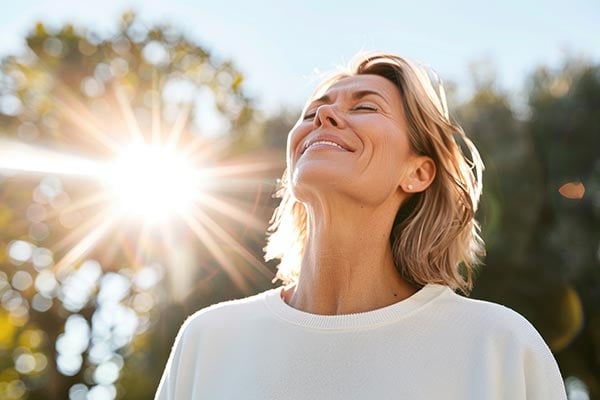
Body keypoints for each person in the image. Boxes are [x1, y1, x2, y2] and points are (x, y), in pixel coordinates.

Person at [155, 52, 567, 399]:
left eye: (365, 106)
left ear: (419, 172)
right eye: (312, 111)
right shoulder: (207, 341)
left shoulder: (500, 346)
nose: (325, 116)